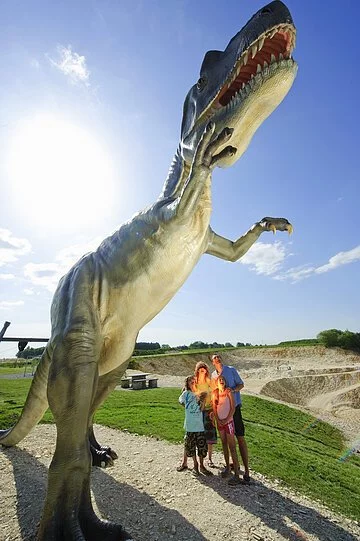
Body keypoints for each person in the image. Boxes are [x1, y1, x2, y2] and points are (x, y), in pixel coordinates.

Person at [211, 353, 251, 484]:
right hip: (222, 413)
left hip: (235, 409)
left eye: (218, 357)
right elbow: (215, 393)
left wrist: (232, 391)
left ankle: (246, 472)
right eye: (214, 359)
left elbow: (241, 384)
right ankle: (229, 467)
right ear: (212, 362)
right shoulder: (213, 375)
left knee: (240, 438)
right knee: (226, 442)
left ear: (221, 359)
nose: (217, 360)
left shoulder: (231, 370)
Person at [177, 375, 213, 476]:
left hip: (199, 425)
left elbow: (202, 409)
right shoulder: (186, 394)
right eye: (190, 382)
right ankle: (195, 465)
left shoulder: (200, 394)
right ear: (187, 384)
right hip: (190, 425)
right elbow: (180, 401)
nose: (193, 383)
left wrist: (202, 400)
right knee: (191, 447)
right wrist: (186, 405)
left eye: (194, 381)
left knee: (201, 447)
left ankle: (202, 465)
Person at [212, 374, 241, 485]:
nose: (221, 381)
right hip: (220, 423)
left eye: (223, 379)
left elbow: (233, 407)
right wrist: (218, 419)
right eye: (219, 380)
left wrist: (227, 419)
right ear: (217, 382)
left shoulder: (228, 392)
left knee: (232, 447)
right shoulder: (215, 393)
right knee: (224, 444)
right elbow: (214, 407)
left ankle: (237, 474)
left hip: (228, 422)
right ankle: (228, 468)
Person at [193, 361, 217, 467]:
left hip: (209, 410)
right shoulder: (194, 382)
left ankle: (210, 458)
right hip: (198, 412)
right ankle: (200, 458)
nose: (202, 370)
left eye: (204, 368)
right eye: (200, 369)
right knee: (198, 435)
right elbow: (191, 394)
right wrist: (199, 395)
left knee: (210, 435)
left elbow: (216, 394)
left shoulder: (210, 381)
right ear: (197, 370)